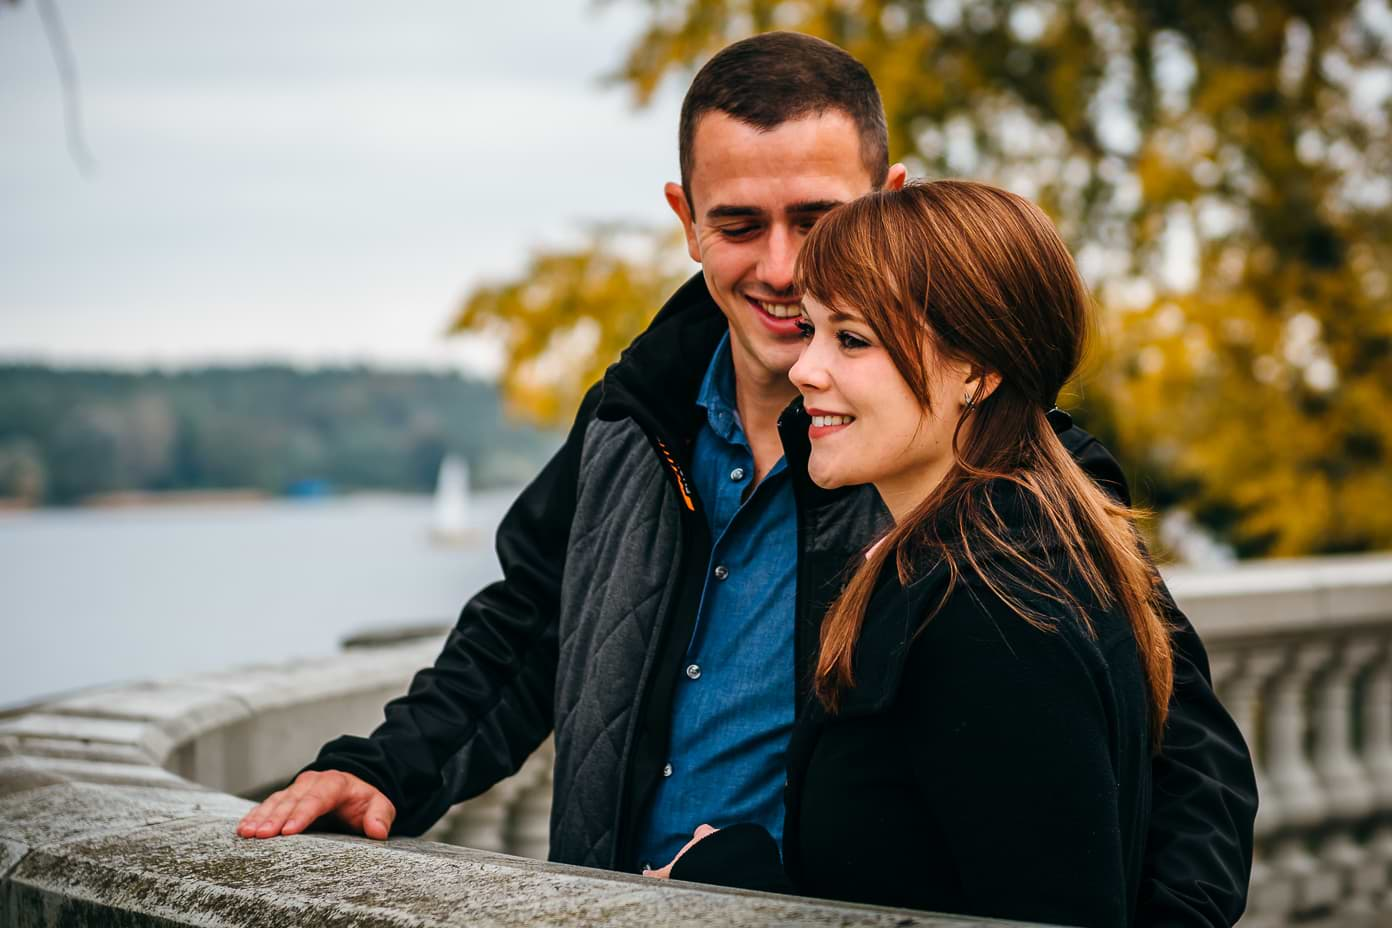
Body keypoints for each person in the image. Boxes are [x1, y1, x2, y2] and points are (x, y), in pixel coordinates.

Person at [236, 31, 1257, 925]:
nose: (780, 267)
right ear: (686, 219)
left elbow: (1186, 755)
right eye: (737, 225)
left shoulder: (1009, 475)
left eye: (817, 219)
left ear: (887, 203)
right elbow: (524, 626)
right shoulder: (635, 415)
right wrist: (381, 768)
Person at [647, 180, 1180, 927]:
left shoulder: (994, 613)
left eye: (852, 339)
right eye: (812, 329)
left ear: (977, 371)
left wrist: (723, 876)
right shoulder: (979, 554)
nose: (805, 369)